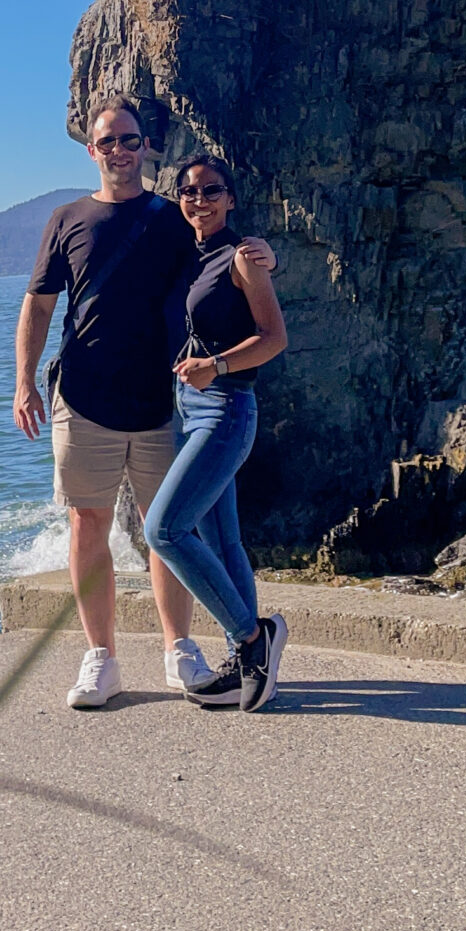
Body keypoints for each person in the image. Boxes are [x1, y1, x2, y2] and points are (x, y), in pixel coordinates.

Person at [14, 100, 274, 711]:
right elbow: (40, 304)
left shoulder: (171, 218)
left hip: (165, 403)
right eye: (108, 143)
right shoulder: (66, 219)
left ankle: (178, 648)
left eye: (130, 141)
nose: (120, 153)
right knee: (88, 523)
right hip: (81, 398)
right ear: (92, 150)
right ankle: (100, 657)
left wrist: (268, 258)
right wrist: (23, 381)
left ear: (145, 146)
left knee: (166, 530)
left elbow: (223, 252)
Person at [144, 154, 290, 712]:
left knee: (164, 530)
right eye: (188, 192)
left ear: (231, 197)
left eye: (211, 191)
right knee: (223, 542)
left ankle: (254, 638)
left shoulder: (242, 257)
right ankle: (240, 661)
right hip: (189, 408)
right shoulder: (190, 255)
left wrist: (219, 366)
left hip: (226, 408)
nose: (198, 200)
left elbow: (274, 338)